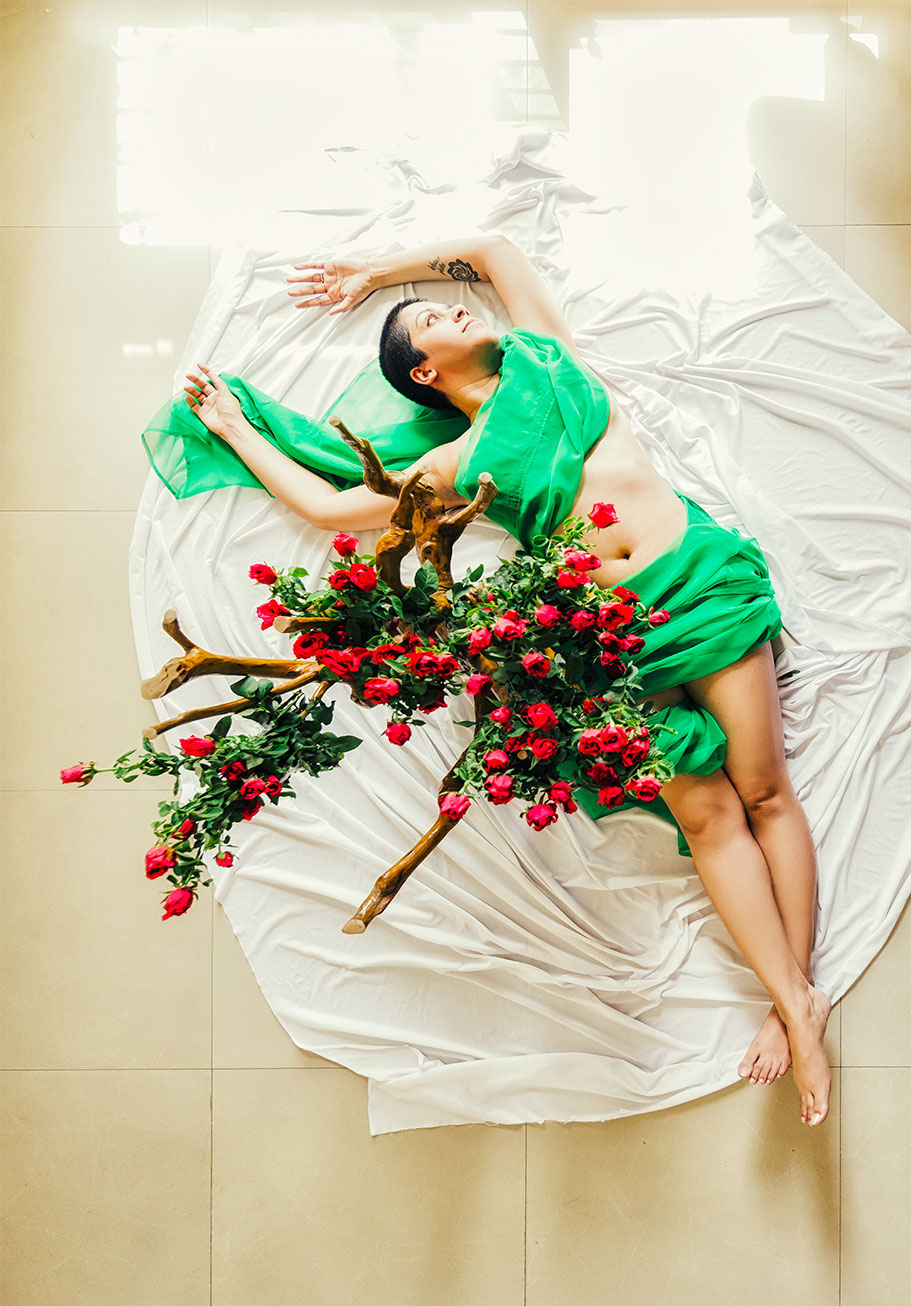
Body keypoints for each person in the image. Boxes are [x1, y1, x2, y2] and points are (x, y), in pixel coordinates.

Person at [180, 233, 832, 1127]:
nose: (451, 310)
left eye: (444, 303)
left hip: (699, 585)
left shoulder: (545, 356)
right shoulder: (454, 465)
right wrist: (233, 428)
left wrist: (378, 274)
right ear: (421, 374)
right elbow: (327, 506)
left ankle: (788, 1000)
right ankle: (796, 1001)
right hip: (604, 639)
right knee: (707, 813)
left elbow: (493, 251)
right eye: (427, 322)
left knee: (763, 793)